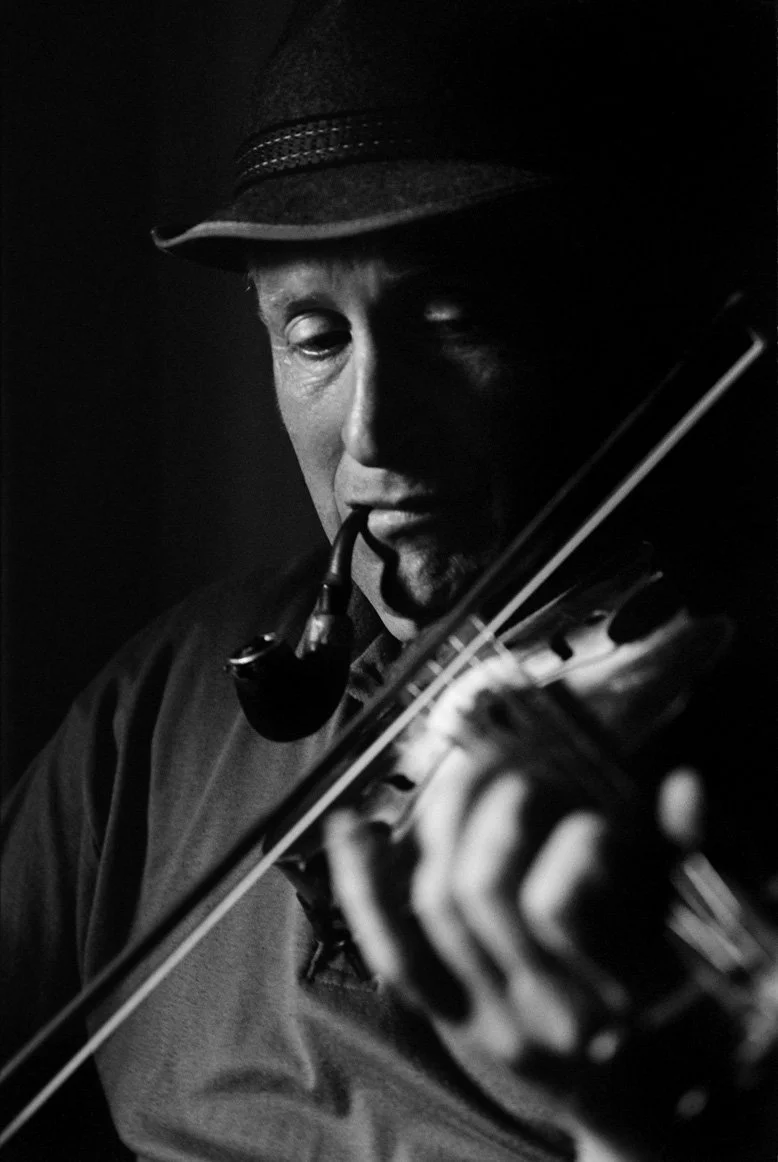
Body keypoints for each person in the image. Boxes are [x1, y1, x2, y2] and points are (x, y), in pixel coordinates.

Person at [2, 1, 775, 1159]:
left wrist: (636, 1127)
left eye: (451, 317)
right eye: (316, 337)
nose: (372, 433)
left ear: (604, 326)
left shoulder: (730, 741)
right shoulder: (170, 700)